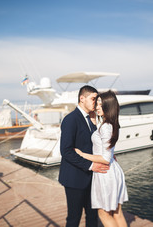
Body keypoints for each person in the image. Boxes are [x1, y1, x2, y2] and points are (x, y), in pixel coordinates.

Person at [75, 90, 129, 227]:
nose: (97, 107)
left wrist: (82, 154)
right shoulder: (110, 123)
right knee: (117, 213)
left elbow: (105, 158)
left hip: (105, 172)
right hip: (112, 170)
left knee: (103, 214)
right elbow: (107, 152)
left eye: (100, 104)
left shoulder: (106, 127)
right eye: (97, 103)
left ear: (108, 106)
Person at [58, 85, 109, 227]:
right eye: (93, 99)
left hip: (92, 179)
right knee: (74, 218)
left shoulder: (91, 120)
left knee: (92, 217)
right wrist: (92, 165)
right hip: (75, 178)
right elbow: (66, 151)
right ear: (82, 98)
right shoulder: (71, 119)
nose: (96, 102)